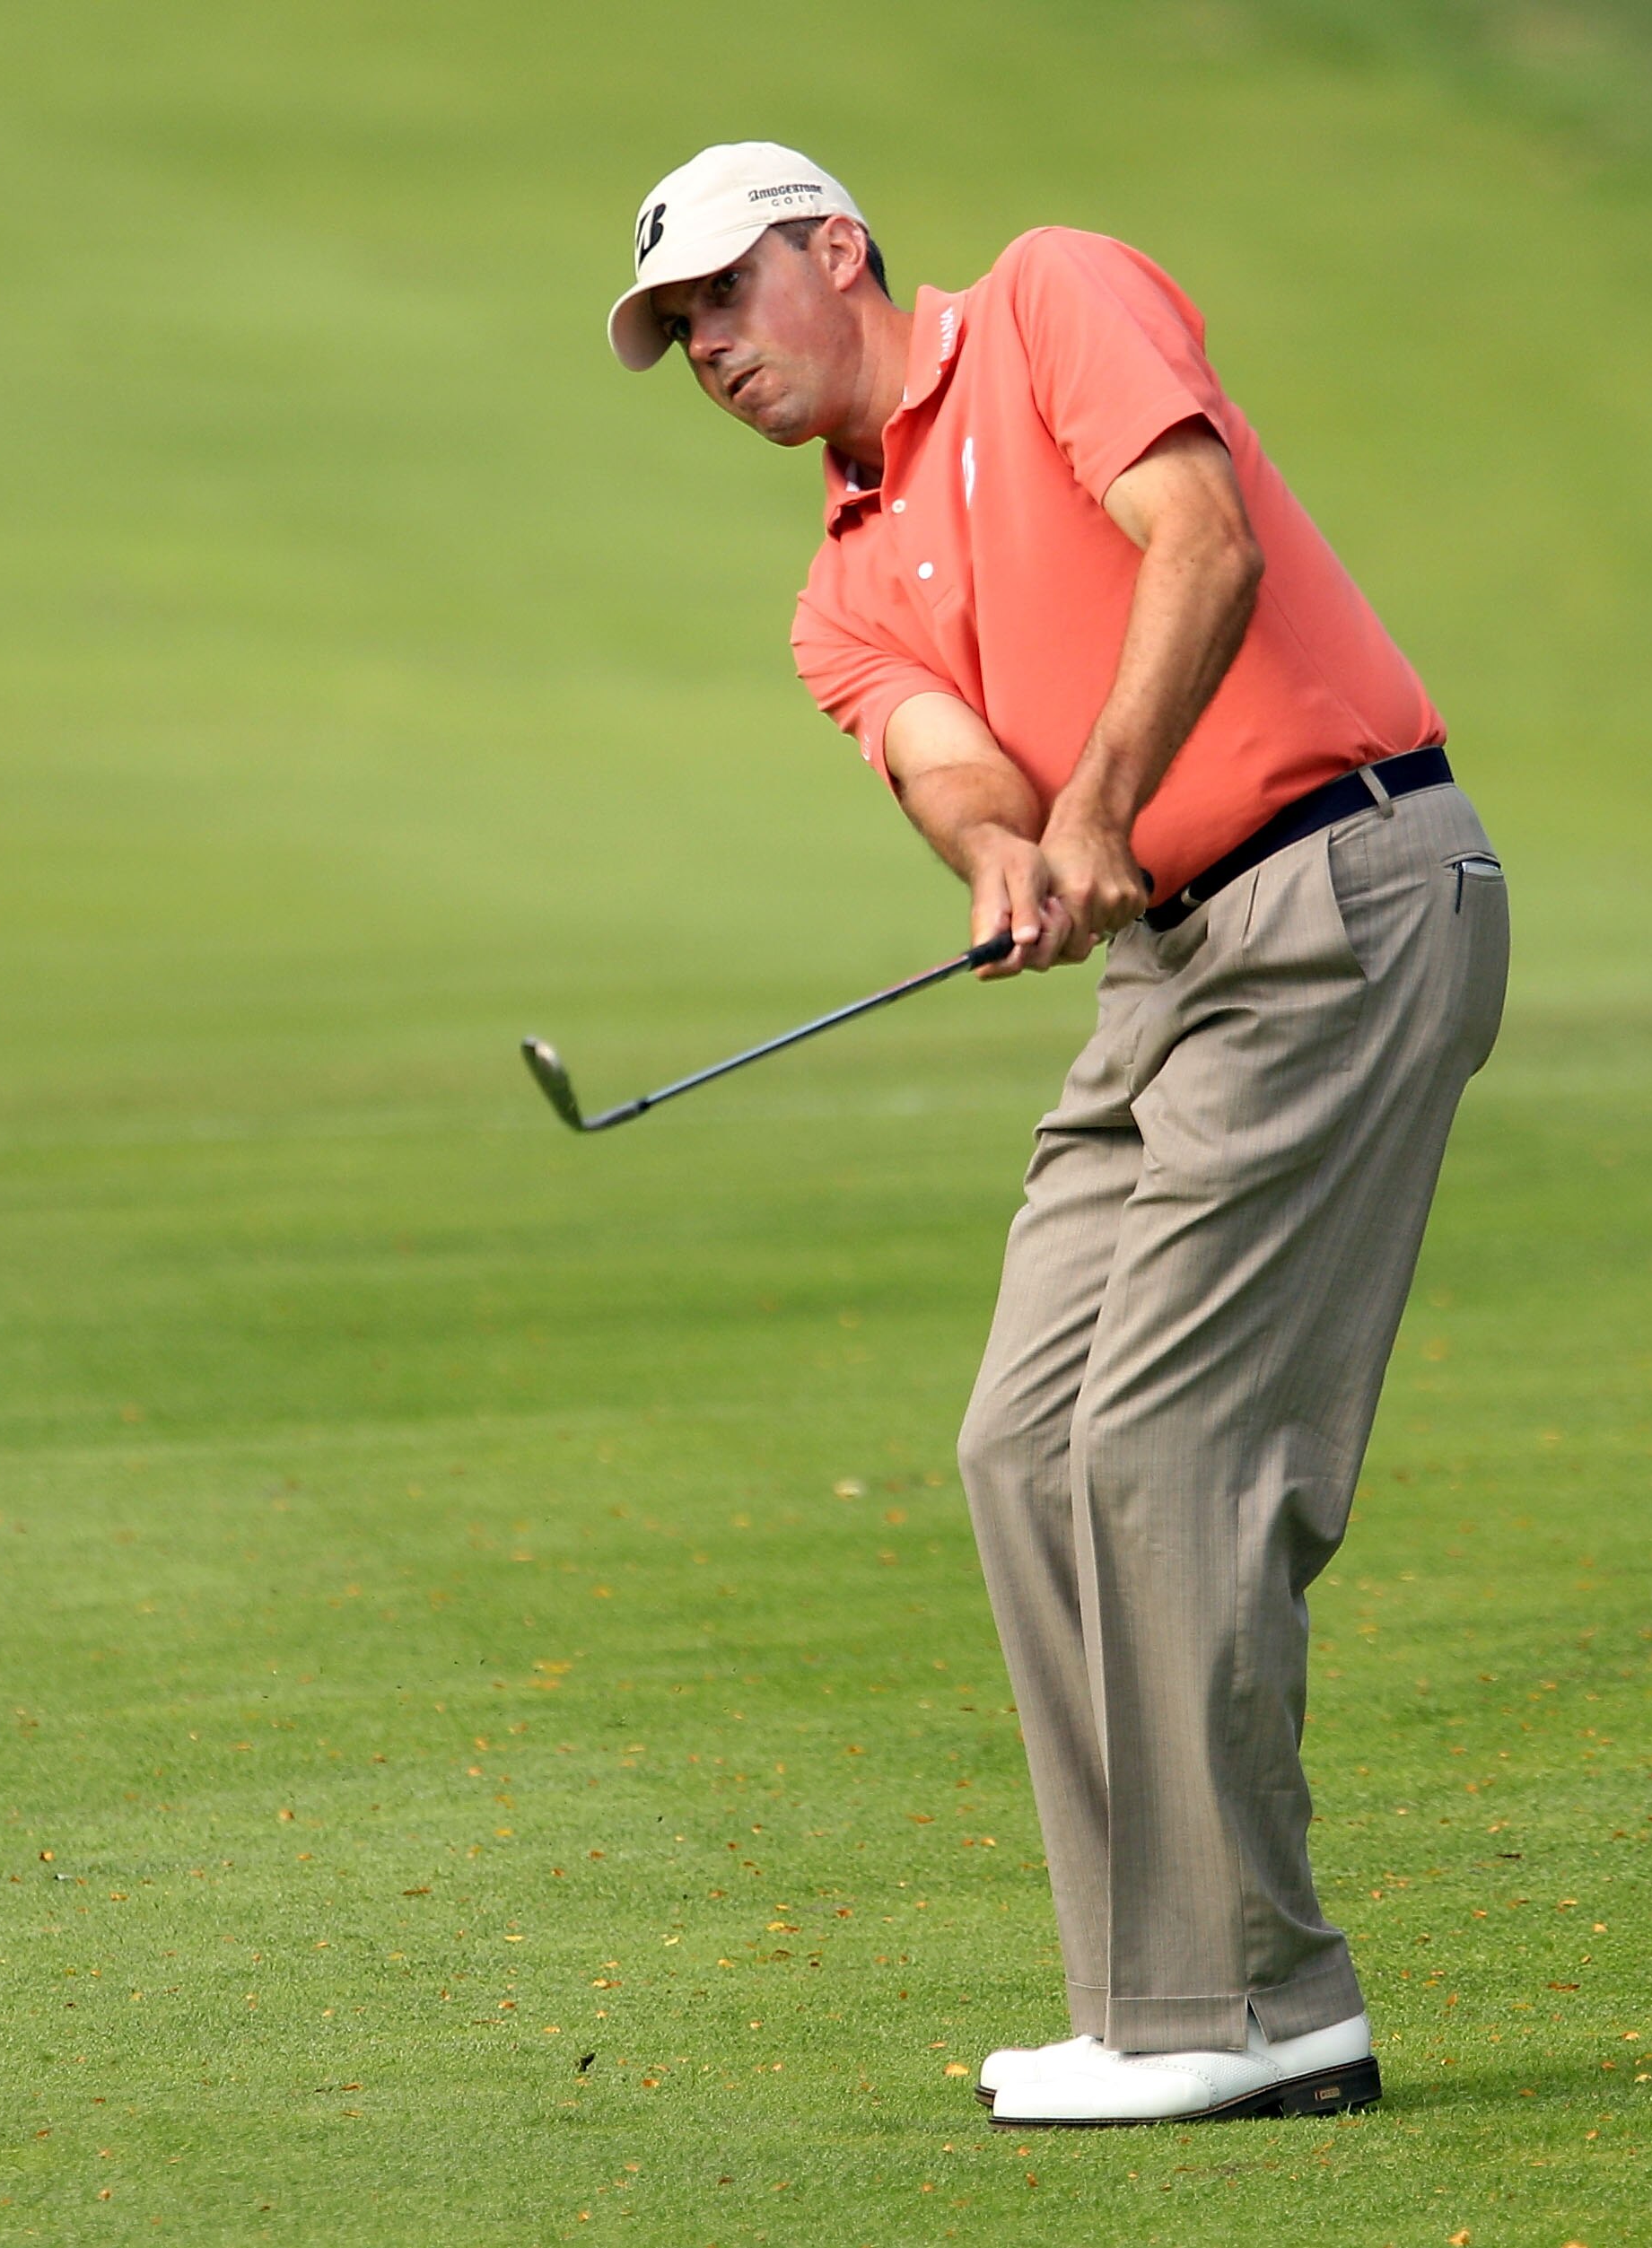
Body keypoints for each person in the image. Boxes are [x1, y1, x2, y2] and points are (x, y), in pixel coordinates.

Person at [607, 144, 1509, 2126]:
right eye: (676, 333)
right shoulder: (838, 590)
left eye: (726, 296)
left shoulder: (1044, 295)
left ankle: (1245, 2002)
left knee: (1164, 1441)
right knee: (1021, 1440)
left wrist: (1093, 802)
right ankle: (1158, 1994)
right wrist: (1010, 845)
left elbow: (1201, 540)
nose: (709, 350)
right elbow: (949, 765)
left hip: (1335, 891)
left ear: (834, 248)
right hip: (1169, 967)